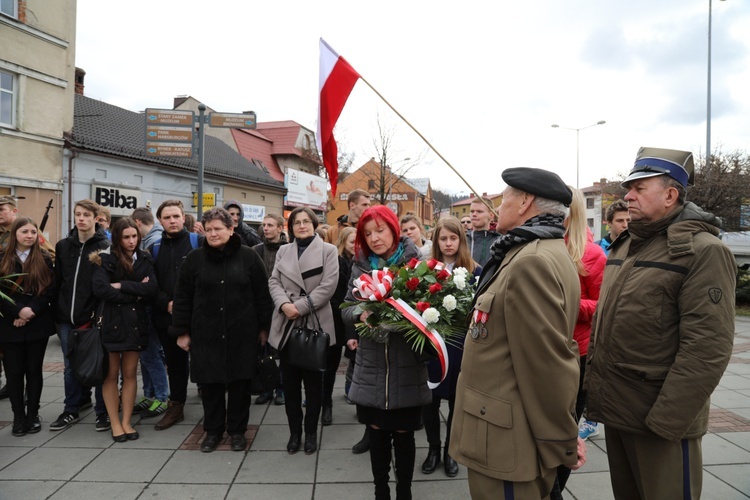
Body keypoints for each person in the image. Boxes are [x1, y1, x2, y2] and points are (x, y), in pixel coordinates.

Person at [585, 147, 736, 499]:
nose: (628, 196)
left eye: (639, 188)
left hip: (660, 423)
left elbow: (707, 348)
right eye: (629, 188)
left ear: (670, 195)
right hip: (619, 412)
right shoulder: (625, 247)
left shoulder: (702, 251)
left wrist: (666, 423)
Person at [449, 168, 585, 499]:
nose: (499, 205)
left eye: (505, 197)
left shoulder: (531, 261)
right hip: (501, 432)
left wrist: (562, 439)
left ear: (525, 202)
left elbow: (547, 364)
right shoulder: (531, 251)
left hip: (506, 442)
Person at [342, 205, 432, 500]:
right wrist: (360, 313)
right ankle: (381, 490)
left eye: (380, 230)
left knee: (405, 436)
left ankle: (404, 492)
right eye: (367, 233)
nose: (374, 238)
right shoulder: (360, 265)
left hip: (406, 362)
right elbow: (345, 307)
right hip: (372, 364)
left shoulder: (416, 265)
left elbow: (432, 310)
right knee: (377, 433)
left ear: (394, 228)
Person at [170, 207, 273, 453]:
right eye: (209, 230)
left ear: (231, 228)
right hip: (206, 334)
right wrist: (182, 331)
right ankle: (213, 431)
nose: (213, 234)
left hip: (242, 333)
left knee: (240, 385)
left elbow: (262, 295)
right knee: (211, 385)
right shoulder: (194, 259)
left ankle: (237, 431)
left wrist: (264, 328)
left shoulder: (249, 257)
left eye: (218, 229)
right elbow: (182, 297)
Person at [268, 207, 338, 456]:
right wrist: (284, 305)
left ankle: (310, 433)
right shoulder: (284, 251)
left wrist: (298, 307)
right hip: (287, 325)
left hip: (314, 323)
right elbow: (274, 281)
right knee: (290, 384)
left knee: (314, 386)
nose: (301, 226)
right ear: (291, 227)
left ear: (314, 224)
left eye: (306, 221)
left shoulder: (329, 251)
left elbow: (328, 287)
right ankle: (294, 432)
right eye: (296, 222)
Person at [551, 187, 606, 499]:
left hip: (578, 354)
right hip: (548, 348)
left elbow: (601, 306)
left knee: (567, 430)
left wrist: (567, 303)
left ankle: (556, 489)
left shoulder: (593, 253)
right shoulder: (545, 243)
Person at [420, 216, 482, 478]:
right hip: (434, 345)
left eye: (453, 238)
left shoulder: (475, 270)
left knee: (457, 403)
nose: (448, 244)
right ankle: (433, 449)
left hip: (460, 347)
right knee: (430, 401)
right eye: (443, 239)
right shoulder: (425, 269)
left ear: (461, 240)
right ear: (436, 241)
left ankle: (450, 452)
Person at [91, 217, 158, 442]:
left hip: (135, 323)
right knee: (110, 375)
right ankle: (115, 422)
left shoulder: (145, 257)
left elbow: (152, 288)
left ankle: (127, 421)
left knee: (130, 374)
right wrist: (135, 293)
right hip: (111, 322)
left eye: (134, 236)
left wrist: (121, 285)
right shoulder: (104, 259)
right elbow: (101, 289)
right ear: (118, 238)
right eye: (126, 237)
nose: (131, 241)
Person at [51, 199, 111, 432]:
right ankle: (71, 409)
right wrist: (57, 312)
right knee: (70, 366)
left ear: (96, 218)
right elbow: (59, 281)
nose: (81, 218)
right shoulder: (64, 245)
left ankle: (102, 412)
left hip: (95, 318)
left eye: (86, 214)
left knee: (99, 365)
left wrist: (99, 314)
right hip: (67, 318)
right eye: (78, 214)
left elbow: (105, 284)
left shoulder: (104, 245)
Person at [148, 200, 203, 431]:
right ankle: (176, 406)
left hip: (198, 315)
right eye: (167, 217)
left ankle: (214, 407)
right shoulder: (154, 249)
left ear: (183, 218)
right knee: (175, 364)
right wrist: (166, 303)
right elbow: (151, 284)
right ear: (160, 221)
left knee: (206, 361)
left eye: (176, 216)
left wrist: (183, 305)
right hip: (167, 317)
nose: (172, 220)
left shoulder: (197, 242)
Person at [0, 217, 55, 436]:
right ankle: (18, 418)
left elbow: (49, 288)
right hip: (9, 324)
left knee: (34, 371)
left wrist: (30, 311)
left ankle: (32, 414)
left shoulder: (43, 257)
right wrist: (17, 311)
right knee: (13, 373)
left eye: (33, 232)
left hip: (36, 322)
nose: (30, 236)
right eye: (25, 232)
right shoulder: (2, 257)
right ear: (15, 234)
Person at [130, 207, 169, 418]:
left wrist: (129, 286)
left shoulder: (152, 245)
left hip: (149, 308)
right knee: (145, 354)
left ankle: (161, 396)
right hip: (142, 309)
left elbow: (150, 284)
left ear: (137, 224)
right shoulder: (148, 244)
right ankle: (150, 393)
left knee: (150, 354)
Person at [321, 225, 356, 427]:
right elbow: (331, 294)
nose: (356, 246)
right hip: (335, 320)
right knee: (330, 365)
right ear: (343, 242)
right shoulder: (335, 262)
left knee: (358, 364)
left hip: (354, 321)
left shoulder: (361, 262)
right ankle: (326, 404)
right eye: (352, 242)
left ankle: (359, 401)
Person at [252, 213, 288, 406]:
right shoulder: (256, 249)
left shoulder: (288, 249)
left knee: (281, 350)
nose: (266, 228)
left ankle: (281, 388)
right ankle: (266, 387)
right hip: (262, 306)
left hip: (282, 305)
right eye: (264, 225)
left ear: (280, 228)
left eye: (270, 225)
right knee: (264, 350)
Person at [0, 195, 20, 401]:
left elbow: (46, 257)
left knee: (11, 350)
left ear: (14, 211)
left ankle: (14, 385)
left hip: (14, 299)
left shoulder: (25, 230)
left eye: (2, 209)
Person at [465, 196, 500, 267]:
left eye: (479, 211)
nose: (474, 214)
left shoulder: (500, 240)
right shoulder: (463, 239)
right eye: (472, 211)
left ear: (491, 215)